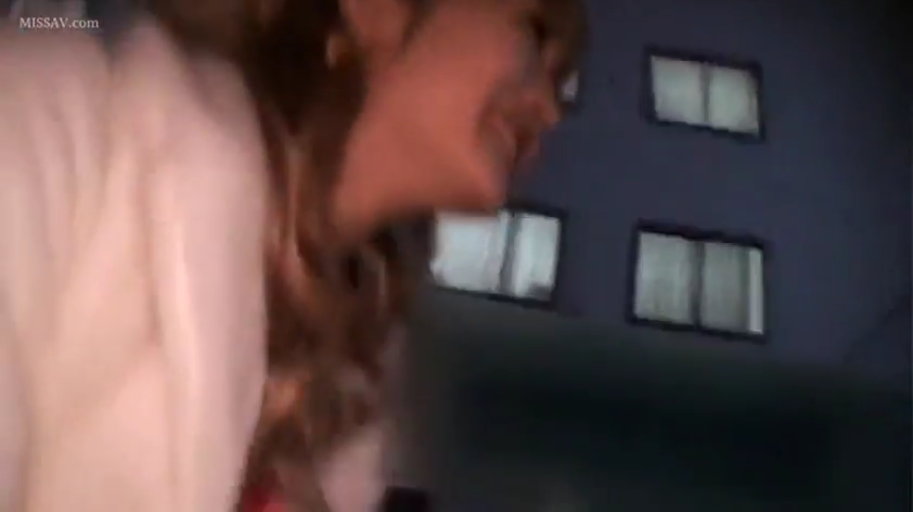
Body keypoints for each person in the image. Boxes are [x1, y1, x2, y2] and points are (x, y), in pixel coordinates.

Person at [0, 0, 587, 509]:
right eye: (534, 33)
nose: (550, 108)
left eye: (561, 80)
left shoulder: (355, 381)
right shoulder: (60, 118)